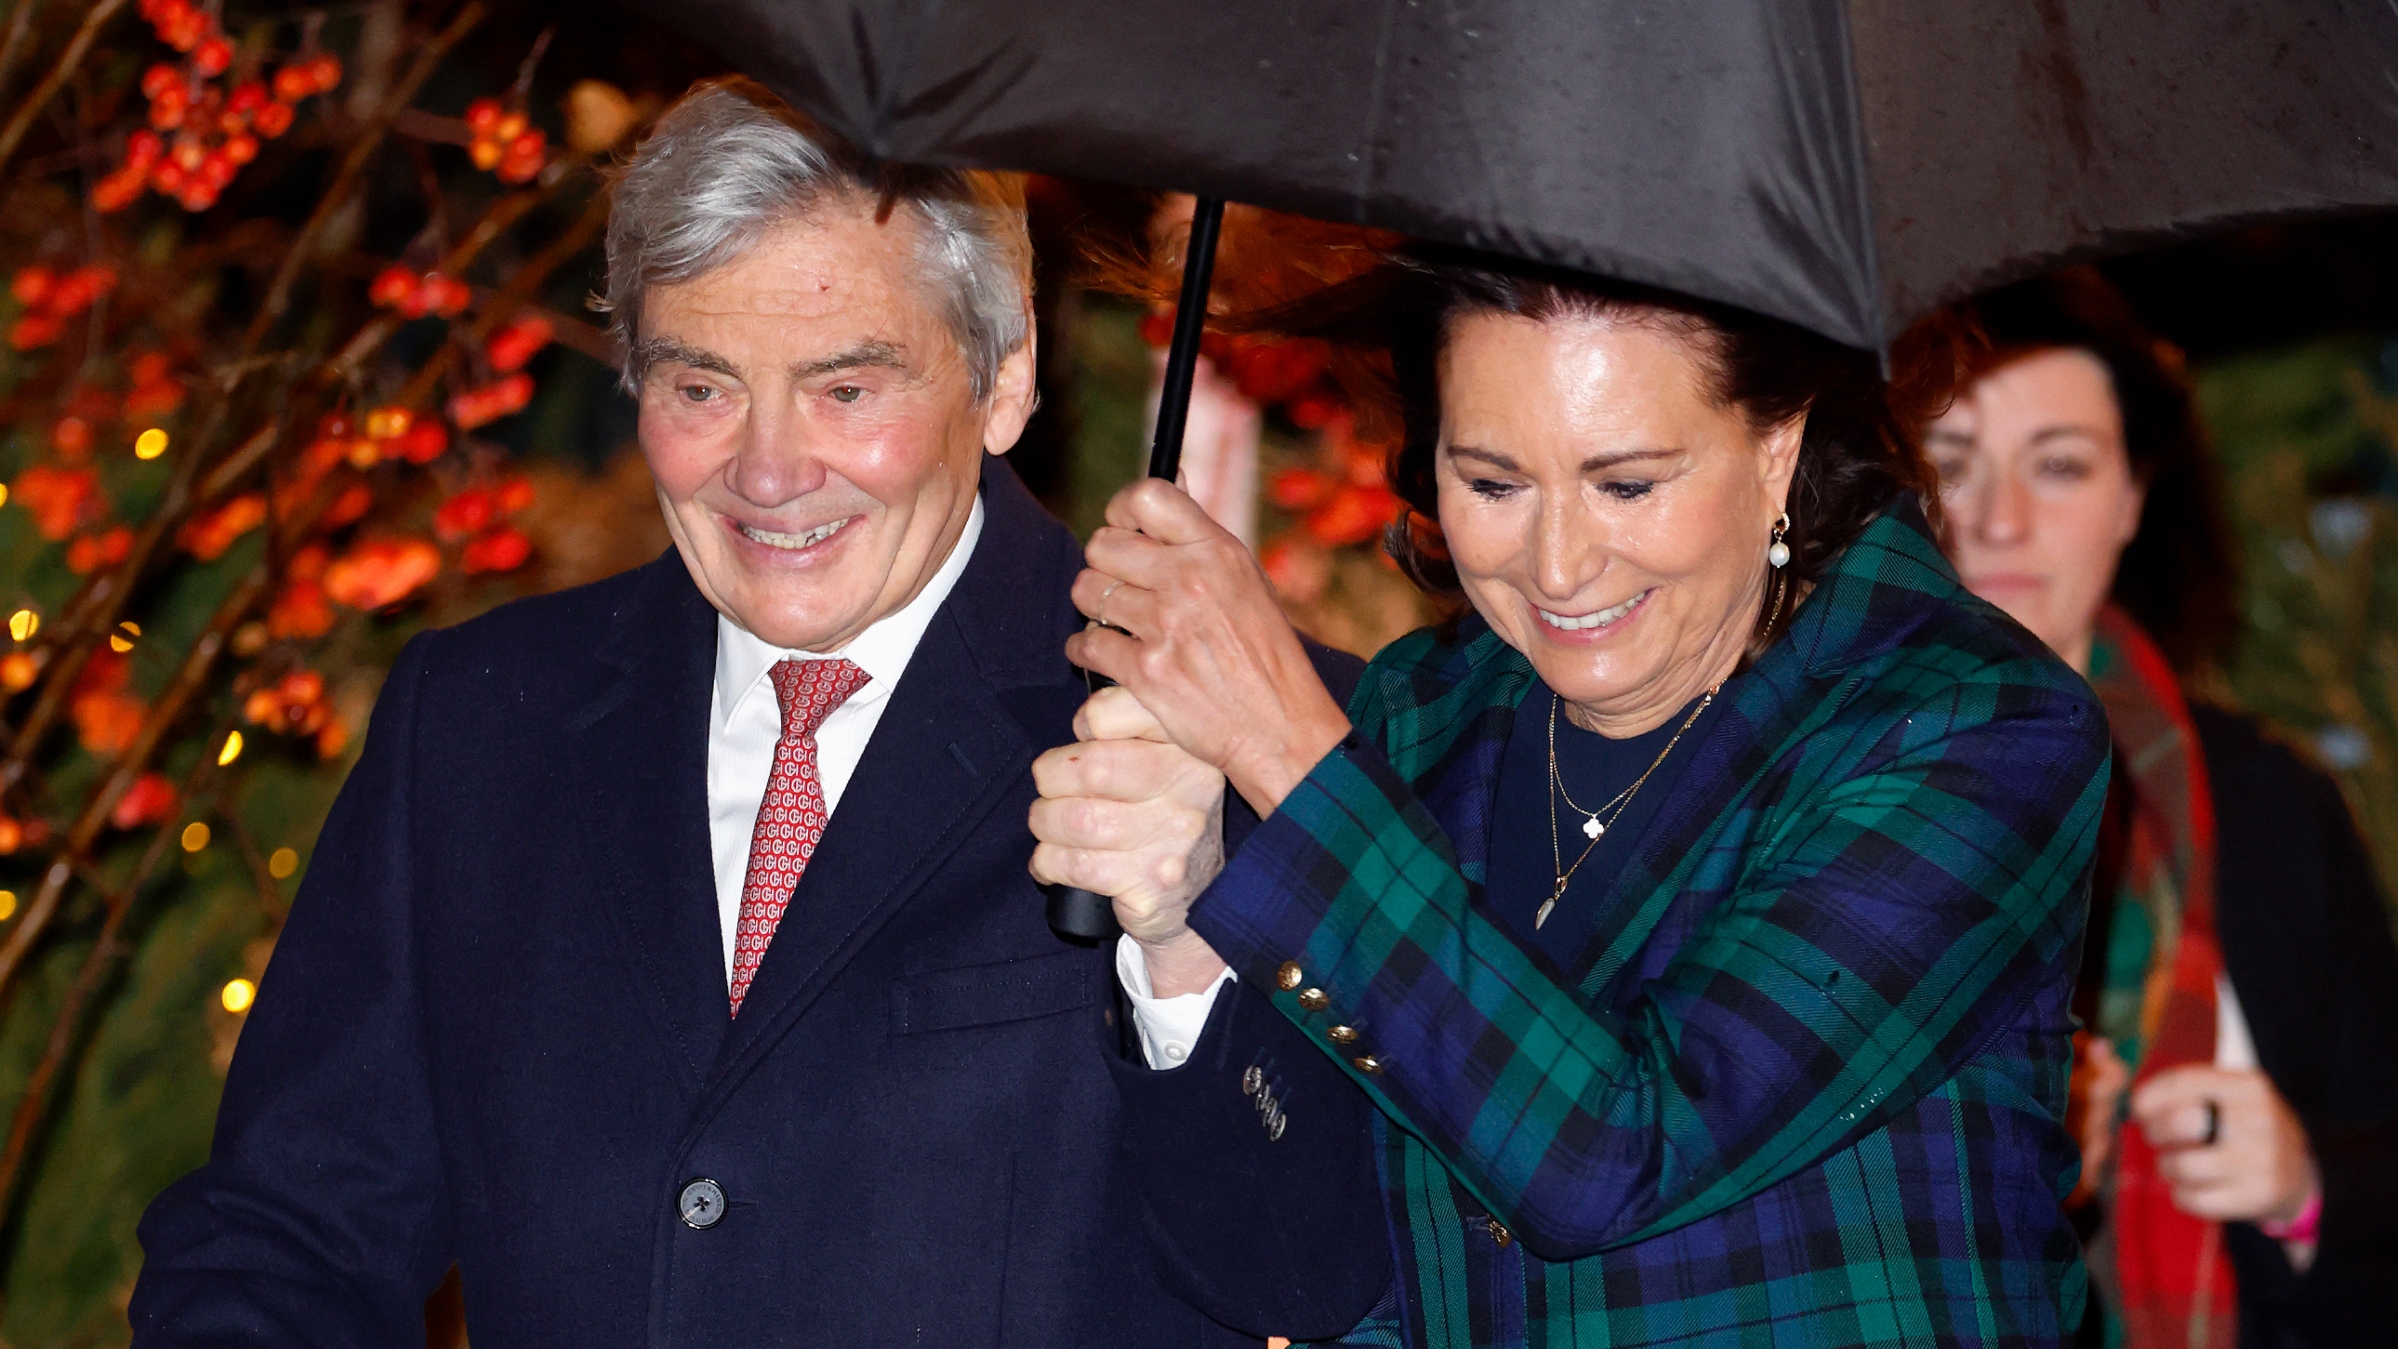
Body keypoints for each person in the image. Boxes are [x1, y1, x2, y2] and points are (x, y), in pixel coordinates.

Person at [127, 79, 1377, 1347]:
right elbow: (286, 1236)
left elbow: (1318, 1272)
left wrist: (1189, 951)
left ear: (1003, 380)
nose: (767, 473)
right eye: (701, 388)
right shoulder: (481, 720)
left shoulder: (1256, 738)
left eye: (845, 390)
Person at [1032, 251, 2114, 1345]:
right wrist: (1183, 930)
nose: (1557, 564)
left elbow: (1612, 1155)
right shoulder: (1421, 718)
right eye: (1494, 484)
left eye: (1626, 484)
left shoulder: (1968, 721)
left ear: (1776, 445)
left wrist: (1290, 753)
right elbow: (1290, 1278)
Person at [1928, 270, 2398, 1349]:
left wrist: (2300, 1184)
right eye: (1950, 464)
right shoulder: (1801, 796)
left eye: (2060, 464)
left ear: (2134, 494)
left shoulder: (2267, 802)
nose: (2000, 517)